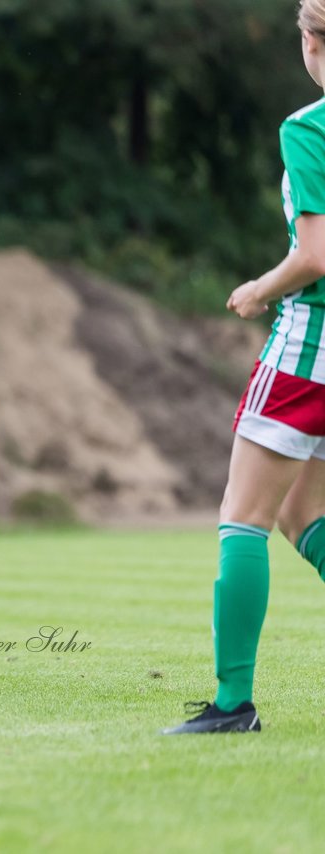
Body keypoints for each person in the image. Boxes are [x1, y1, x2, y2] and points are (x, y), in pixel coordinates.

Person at [164, 1, 325, 735]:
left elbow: (318, 255)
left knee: (244, 519)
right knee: (304, 513)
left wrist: (261, 287)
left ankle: (233, 705)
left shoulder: (309, 126)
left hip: (308, 349)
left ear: (312, 42)